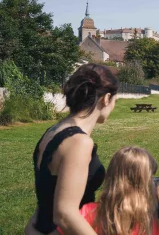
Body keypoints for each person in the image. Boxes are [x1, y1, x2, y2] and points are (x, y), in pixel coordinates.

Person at [26, 64, 119, 235]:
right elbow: (65, 215)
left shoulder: (53, 132)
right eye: (114, 100)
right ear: (106, 99)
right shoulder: (79, 143)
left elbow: (47, 194)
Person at [57, 146, 159, 235]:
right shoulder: (146, 221)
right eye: (150, 179)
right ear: (142, 185)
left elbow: (60, 229)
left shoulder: (88, 212)